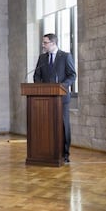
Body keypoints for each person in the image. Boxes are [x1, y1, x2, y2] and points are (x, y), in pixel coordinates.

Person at [34, 33, 76, 163]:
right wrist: (41, 89)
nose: (43, 45)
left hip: (61, 98)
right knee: (46, 125)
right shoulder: (42, 58)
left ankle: (65, 154)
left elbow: (72, 75)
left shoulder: (65, 56)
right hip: (45, 99)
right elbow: (37, 76)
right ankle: (48, 151)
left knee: (63, 126)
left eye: (45, 43)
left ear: (53, 43)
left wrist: (62, 87)